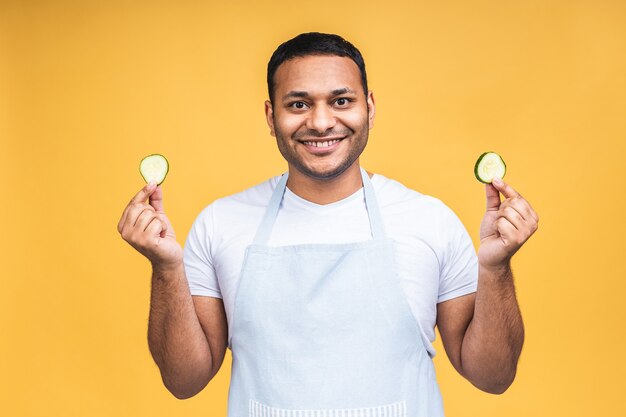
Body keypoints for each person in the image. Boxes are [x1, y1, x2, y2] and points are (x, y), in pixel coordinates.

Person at [118, 32, 538, 416]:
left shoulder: (429, 220)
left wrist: (496, 269)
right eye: (298, 104)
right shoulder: (220, 224)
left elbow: (493, 377)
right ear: (271, 115)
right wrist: (166, 268)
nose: (320, 123)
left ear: (369, 108)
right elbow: (183, 381)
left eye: (341, 101)